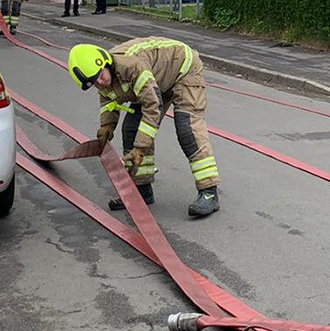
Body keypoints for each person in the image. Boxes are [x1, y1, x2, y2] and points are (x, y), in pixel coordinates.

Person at [68, 39, 219, 217]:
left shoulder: (131, 66)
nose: (101, 83)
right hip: (156, 79)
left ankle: (209, 191)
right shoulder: (101, 77)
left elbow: (152, 107)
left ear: (105, 62)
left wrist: (140, 148)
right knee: (132, 129)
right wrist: (107, 124)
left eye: (100, 77)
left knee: (187, 128)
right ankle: (142, 189)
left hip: (183, 70)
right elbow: (108, 99)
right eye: (94, 82)